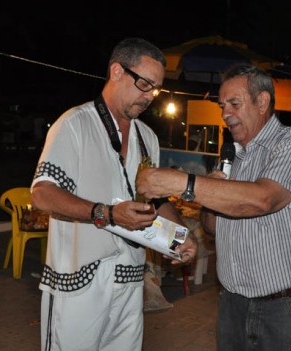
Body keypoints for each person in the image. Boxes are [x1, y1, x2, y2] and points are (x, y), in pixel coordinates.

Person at [137, 63, 291, 350]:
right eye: (222, 105)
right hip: (234, 306)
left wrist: (185, 183)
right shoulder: (231, 158)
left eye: (234, 103)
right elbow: (211, 227)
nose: (225, 113)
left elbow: (262, 199)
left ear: (263, 101)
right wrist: (210, 195)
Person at [30, 37, 197, 350]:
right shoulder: (74, 124)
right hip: (77, 282)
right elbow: (43, 194)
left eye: (157, 89)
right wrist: (105, 214)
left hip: (130, 279)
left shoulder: (148, 137)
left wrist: (181, 237)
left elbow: (155, 202)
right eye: (145, 84)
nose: (151, 97)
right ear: (117, 71)